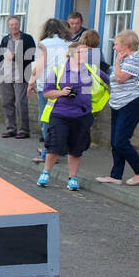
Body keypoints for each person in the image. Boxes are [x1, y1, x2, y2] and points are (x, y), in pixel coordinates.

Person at [36, 36, 97, 191]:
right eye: (80, 53)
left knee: (76, 149)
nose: (83, 56)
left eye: (85, 53)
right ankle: (45, 173)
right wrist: (62, 92)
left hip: (82, 116)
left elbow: (108, 82)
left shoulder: (91, 70)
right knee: (55, 145)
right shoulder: (57, 70)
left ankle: (72, 178)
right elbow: (47, 93)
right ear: (70, 54)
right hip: (60, 115)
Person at [98, 29, 139, 186]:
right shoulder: (124, 59)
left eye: (116, 44)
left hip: (131, 104)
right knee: (115, 141)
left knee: (121, 141)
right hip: (118, 104)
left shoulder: (136, 59)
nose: (114, 48)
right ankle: (116, 175)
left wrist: (116, 63)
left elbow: (120, 78)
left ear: (126, 45)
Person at [27, 18, 71, 164]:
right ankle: (59, 150)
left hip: (47, 86)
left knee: (46, 120)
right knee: (61, 120)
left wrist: (31, 83)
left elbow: (38, 67)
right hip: (65, 86)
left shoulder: (43, 45)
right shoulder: (69, 44)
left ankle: (48, 154)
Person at [0, 16, 36, 138]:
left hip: (21, 75)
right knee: (7, 102)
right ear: (8, 26)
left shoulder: (27, 39)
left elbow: (31, 56)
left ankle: (24, 130)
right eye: (11, 25)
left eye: (16, 24)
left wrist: (15, 57)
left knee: (20, 103)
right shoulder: (5, 39)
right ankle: (11, 128)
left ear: (19, 25)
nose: (14, 27)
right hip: (6, 76)